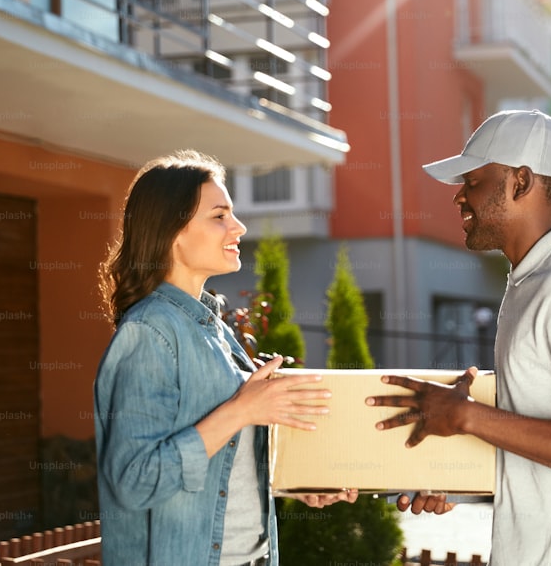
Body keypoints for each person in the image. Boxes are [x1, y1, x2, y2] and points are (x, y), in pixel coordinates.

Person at [366, 110, 551, 565]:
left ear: (520, 182)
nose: (459, 197)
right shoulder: (532, 281)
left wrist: (468, 417)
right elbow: (540, 438)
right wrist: (452, 470)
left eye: (474, 182)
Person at [94, 149, 357, 566]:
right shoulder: (150, 333)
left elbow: (221, 463)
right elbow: (135, 481)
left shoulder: (213, 327)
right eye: (219, 216)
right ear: (172, 232)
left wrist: (293, 483)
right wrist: (240, 410)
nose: (238, 226)